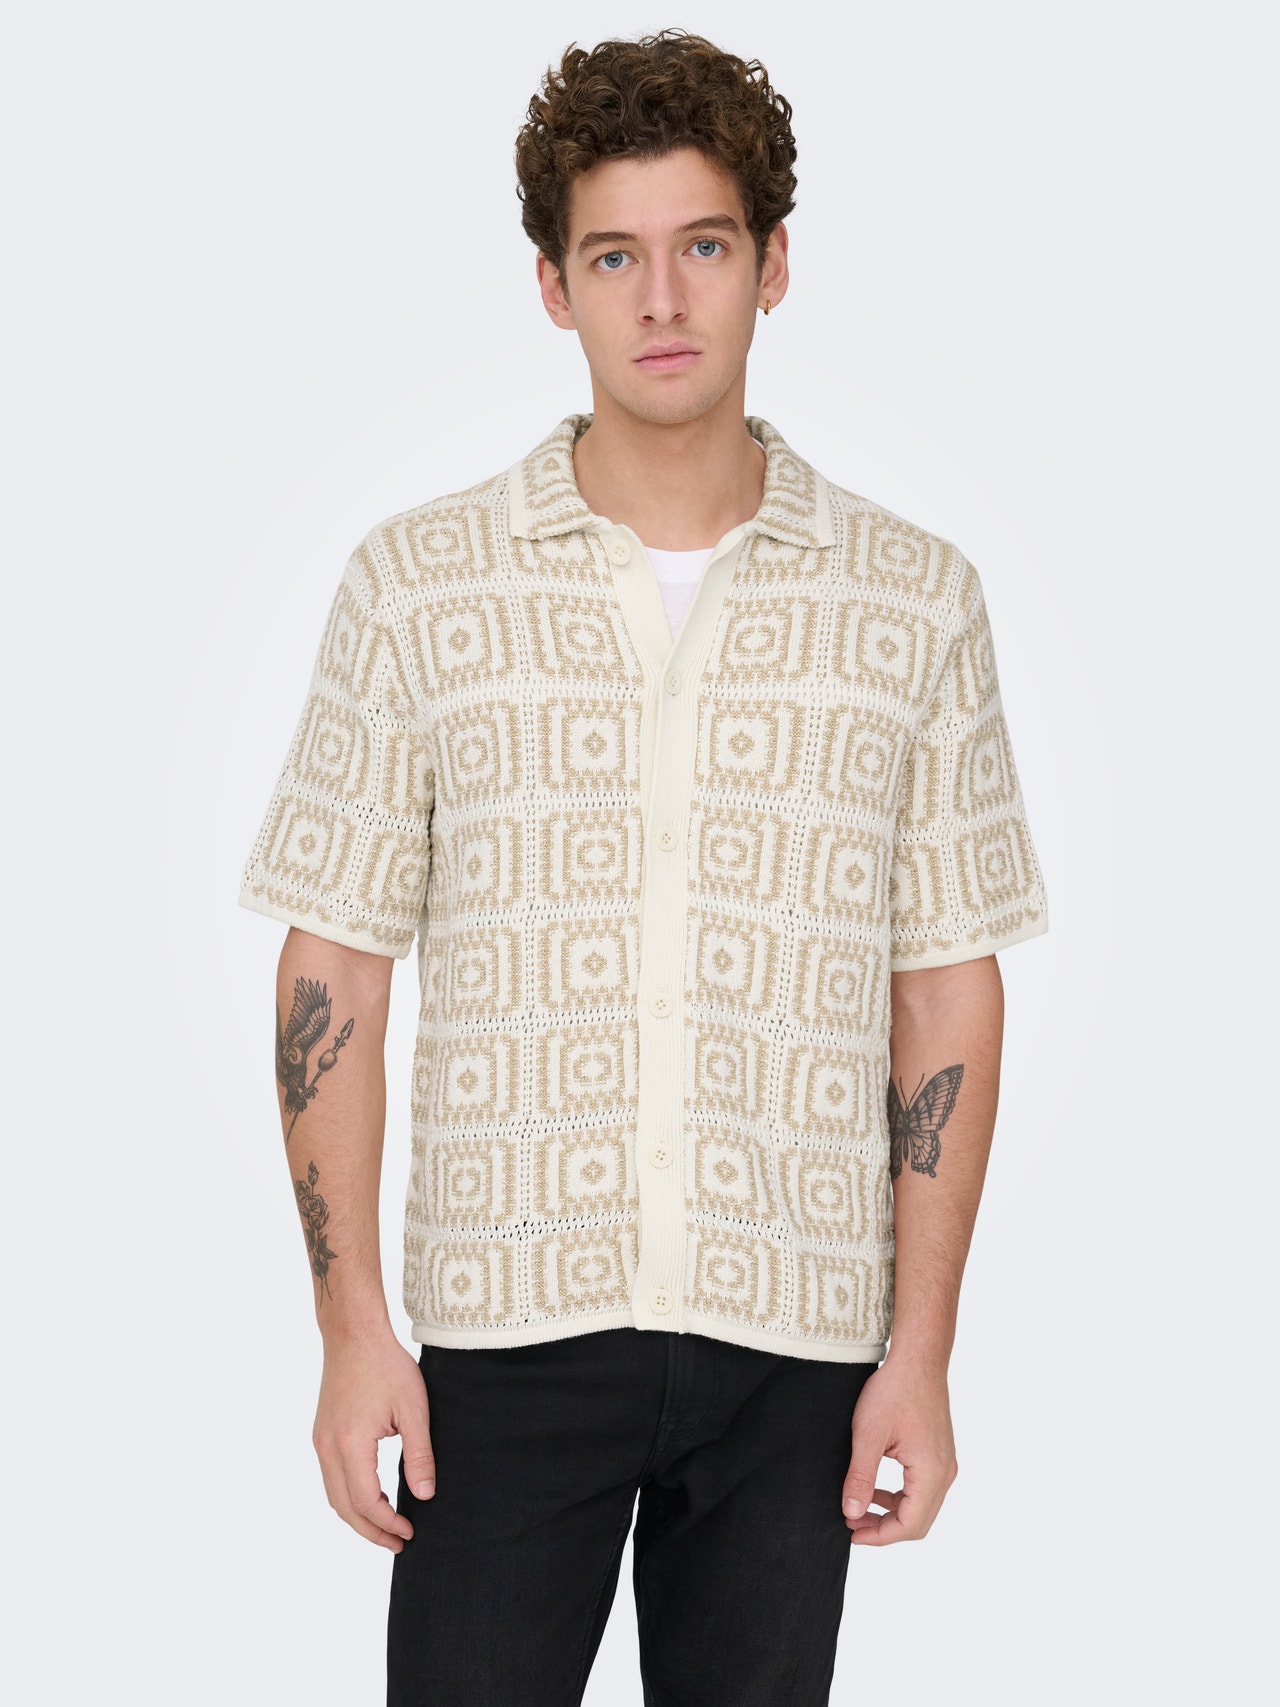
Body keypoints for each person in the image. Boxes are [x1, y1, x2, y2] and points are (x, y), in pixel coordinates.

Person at [238, 28, 1049, 1707]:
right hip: (503, 1341)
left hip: (796, 1347)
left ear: (772, 266)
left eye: (705, 247)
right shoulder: (419, 588)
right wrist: (350, 1328)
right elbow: (335, 974)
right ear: (555, 285)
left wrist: (922, 1351)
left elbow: (946, 989)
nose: (663, 299)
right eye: (614, 256)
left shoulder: (913, 600)